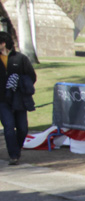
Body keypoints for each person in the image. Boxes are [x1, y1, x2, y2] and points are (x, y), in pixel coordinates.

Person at [0, 31, 35, 166]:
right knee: (8, 127)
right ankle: (14, 155)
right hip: (2, 100)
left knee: (22, 128)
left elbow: (31, 76)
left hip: (19, 99)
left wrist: (22, 86)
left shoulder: (20, 59)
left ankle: (17, 149)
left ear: (3, 43)